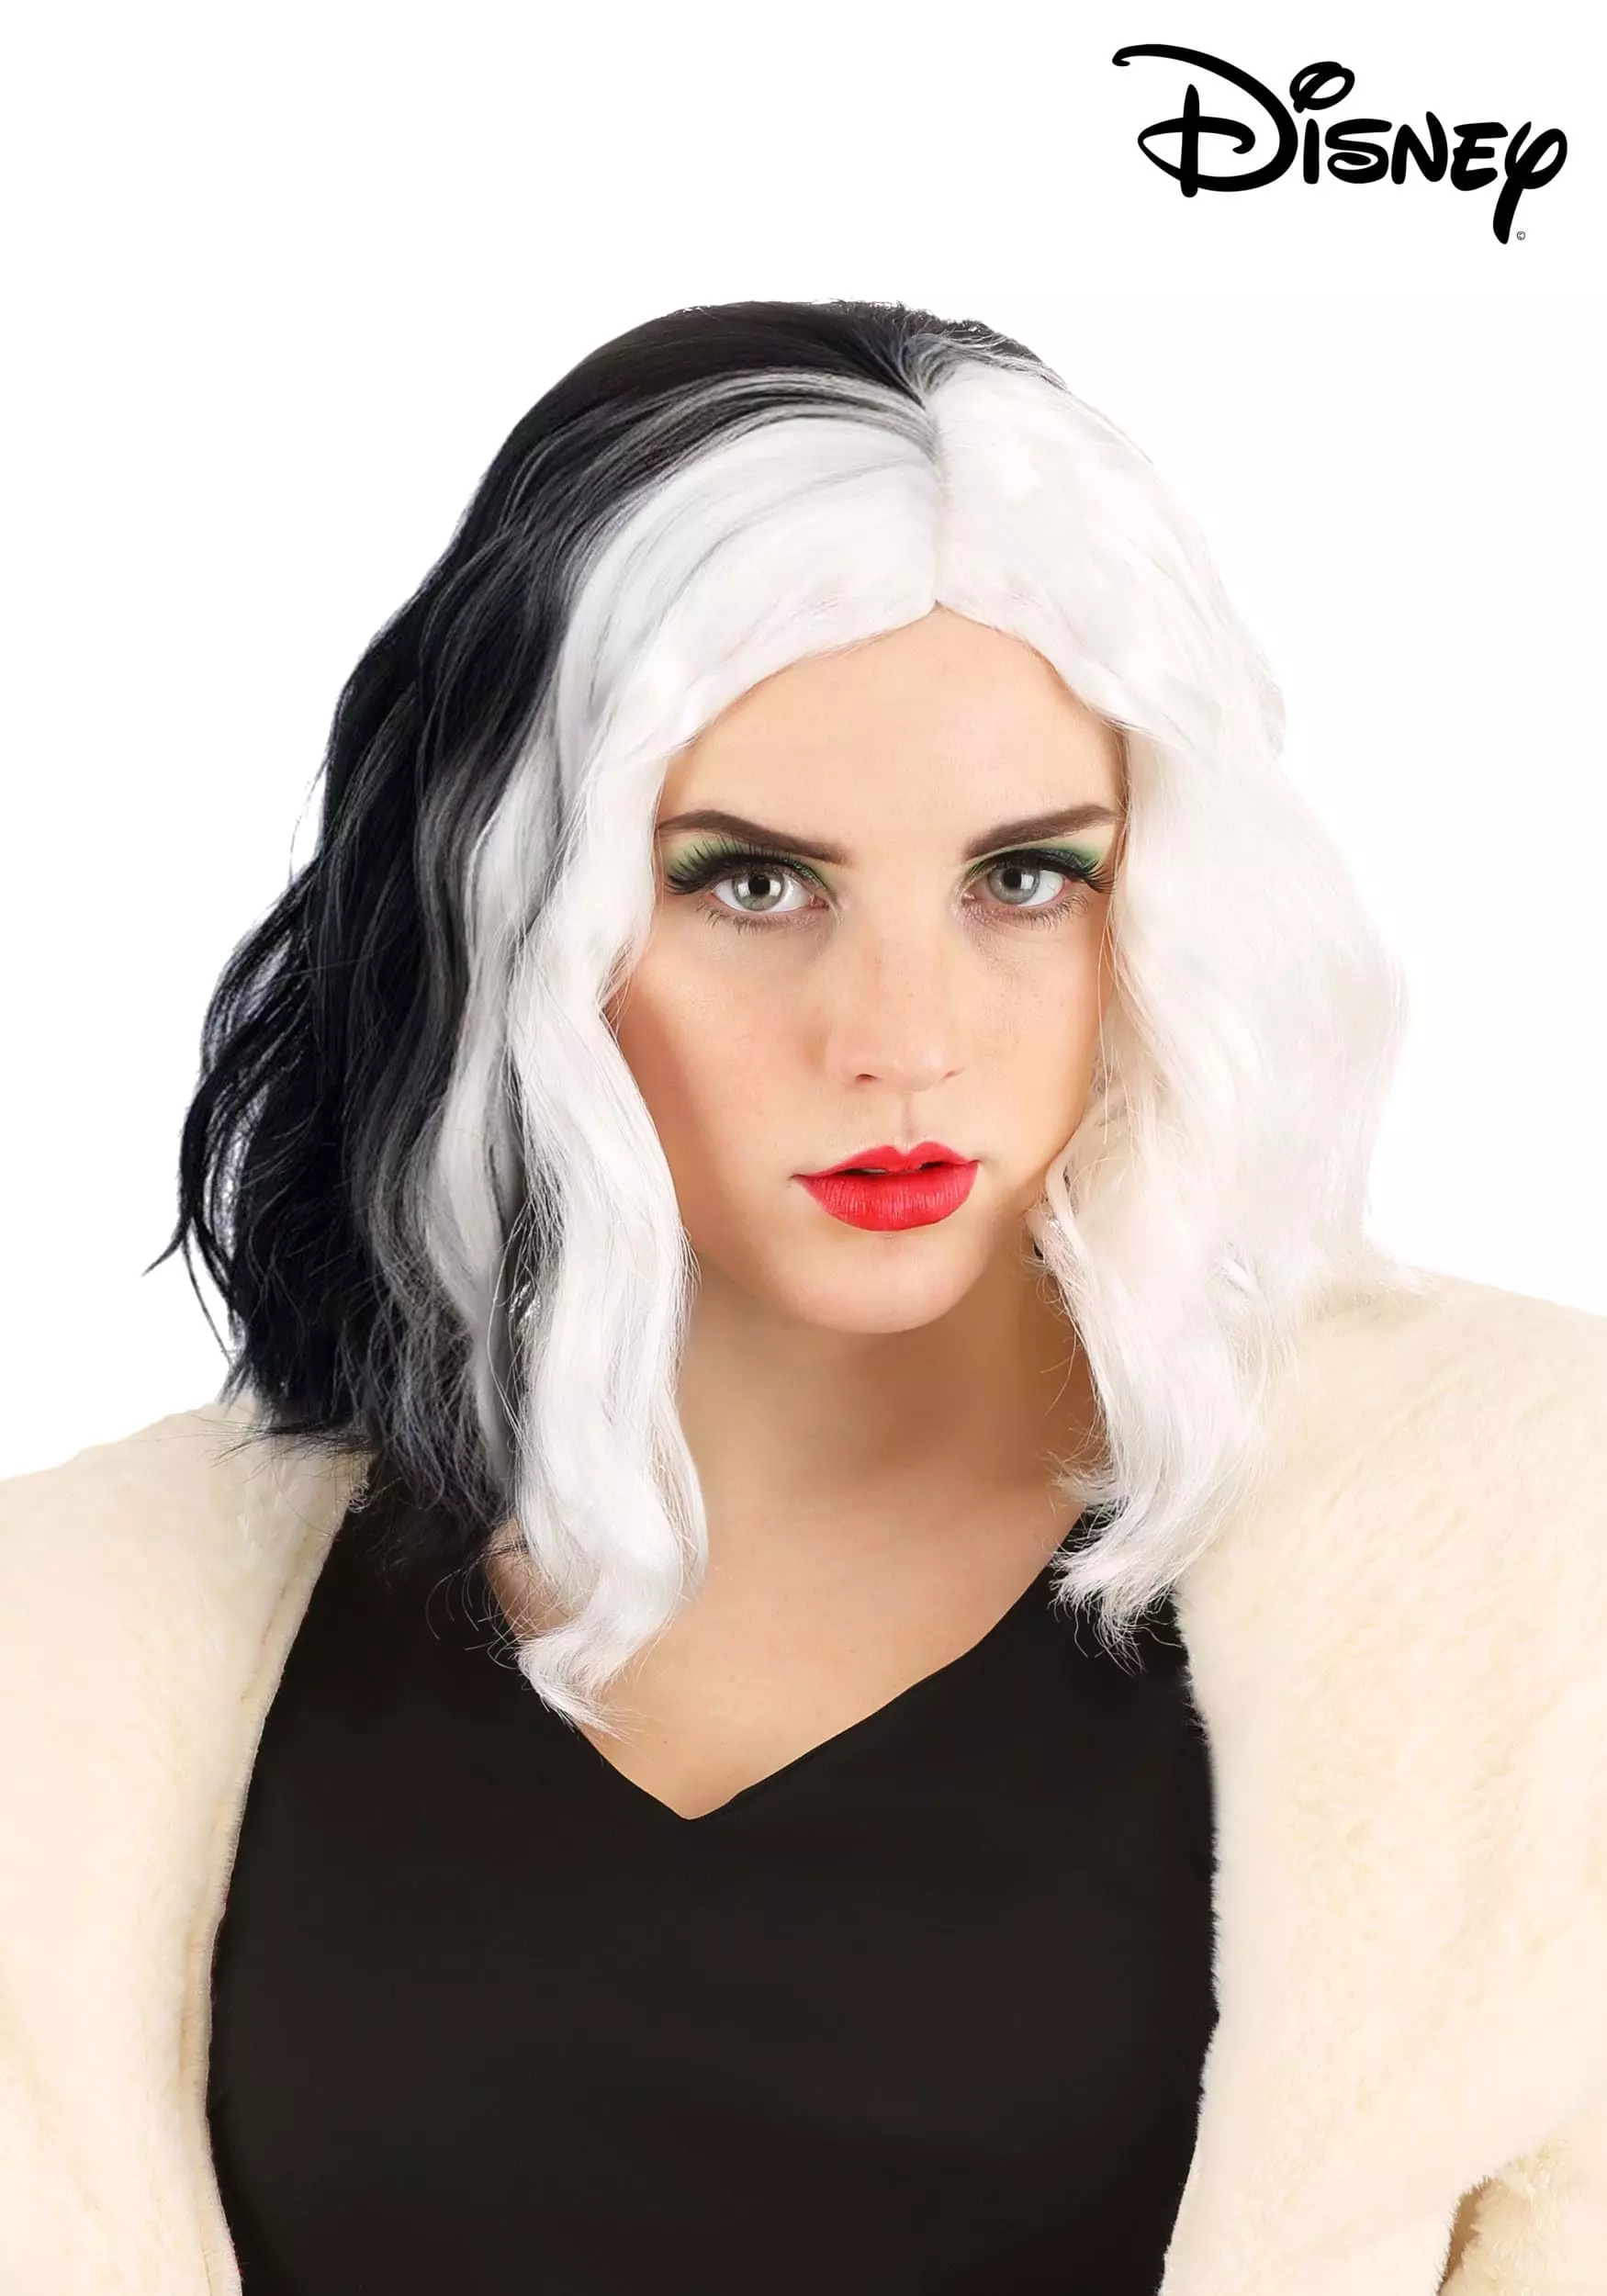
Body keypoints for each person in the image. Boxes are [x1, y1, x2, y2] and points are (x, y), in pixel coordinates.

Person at [1, 298, 1603, 2296]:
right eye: (750, 882)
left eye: (1024, 876)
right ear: (508, 914)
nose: (901, 1037)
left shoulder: (1534, 1578)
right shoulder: (66, 1656)